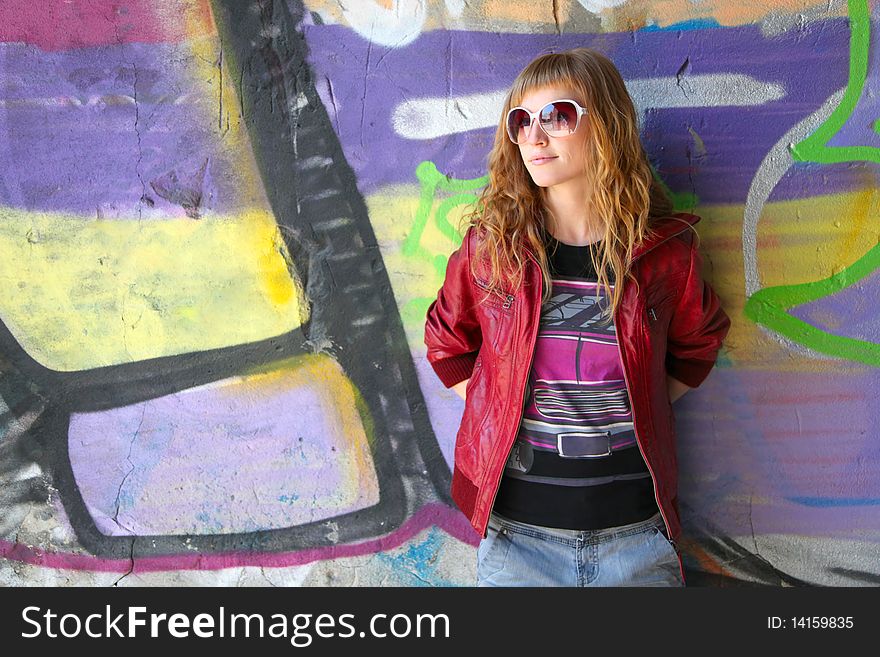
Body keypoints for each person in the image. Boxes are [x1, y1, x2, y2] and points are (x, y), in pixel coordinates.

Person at [423, 48, 731, 587]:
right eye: (521, 121)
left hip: (634, 539)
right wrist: (502, 398)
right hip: (519, 541)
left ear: (607, 126)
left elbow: (699, 344)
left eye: (557, 115)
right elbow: (448, 346)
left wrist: (636, 396)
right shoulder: (491, 251)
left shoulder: (666, 254)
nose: (534, 137)